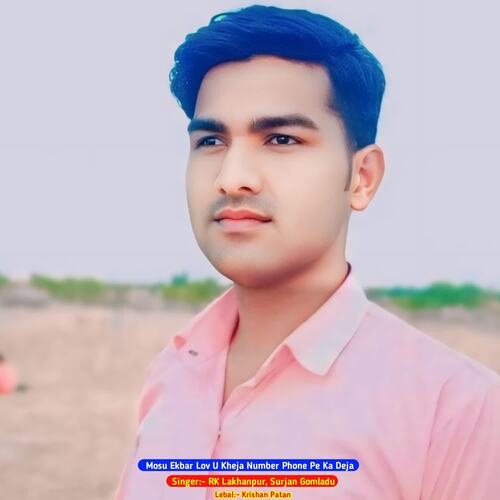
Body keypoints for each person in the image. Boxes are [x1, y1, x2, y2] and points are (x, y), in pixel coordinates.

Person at [115, 5, 500, 499]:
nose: (231, 177)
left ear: (361, 178)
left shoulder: (458, 411)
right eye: (211, 140)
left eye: (280, 138)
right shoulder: (172, 374)